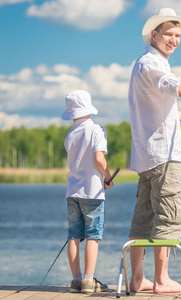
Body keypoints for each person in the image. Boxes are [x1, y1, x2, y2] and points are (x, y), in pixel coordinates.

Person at [127, 8, 181, 294]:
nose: (174, 40)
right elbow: (180, 89)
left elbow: (157, 110)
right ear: (154, 34)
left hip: (147, 157)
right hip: (165, 157)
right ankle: (161, 279)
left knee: (144, 218)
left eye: (177, 35)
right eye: (168, 34)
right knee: (170, 217)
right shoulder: (154, 64)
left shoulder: (146, 64)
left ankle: (137, 279)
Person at [62, 90, 114, 293]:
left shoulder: (70, 134)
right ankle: (88, 281)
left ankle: (75, 281)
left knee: (73, 236)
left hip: (72, 191)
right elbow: (99, 159)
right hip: (92, 191)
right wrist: (108, 177)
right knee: (93, 236)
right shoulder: (97, 130)